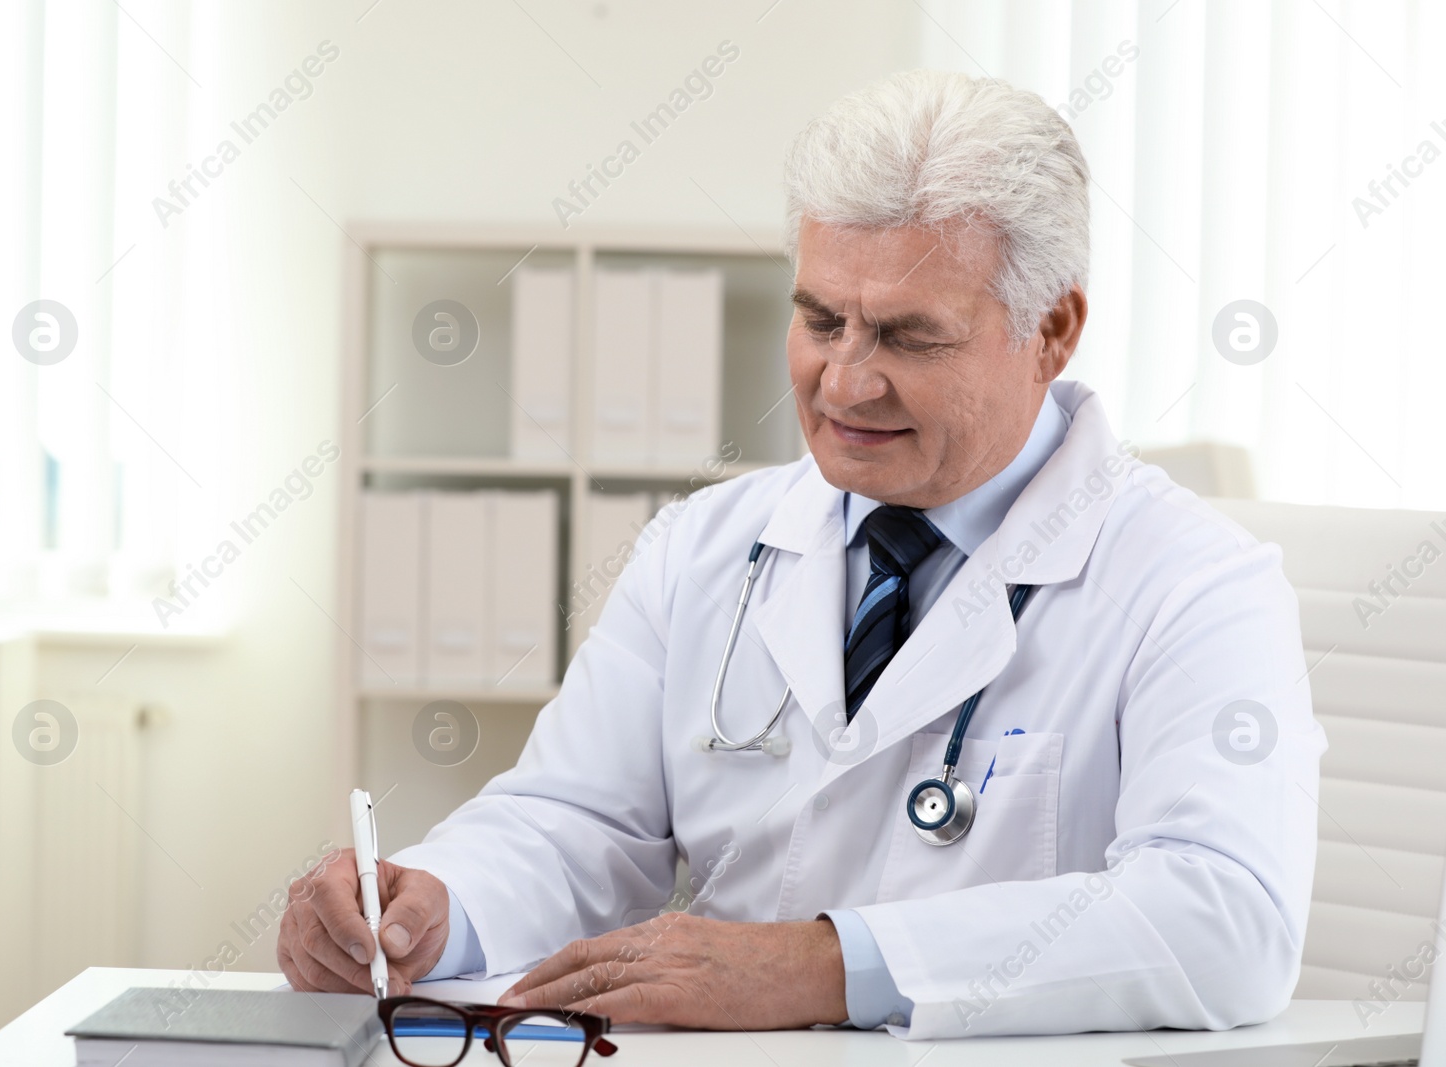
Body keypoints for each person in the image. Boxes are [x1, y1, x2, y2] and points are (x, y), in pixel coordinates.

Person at [278, 69, 1324, 1039]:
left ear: (1052, 329)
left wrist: (822, 963)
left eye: (908, 337)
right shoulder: (706, 546)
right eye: (821, 319)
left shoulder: (1196, 583)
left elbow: (1225, 918)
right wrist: (430, 906)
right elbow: (576, 821)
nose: (843, 382)